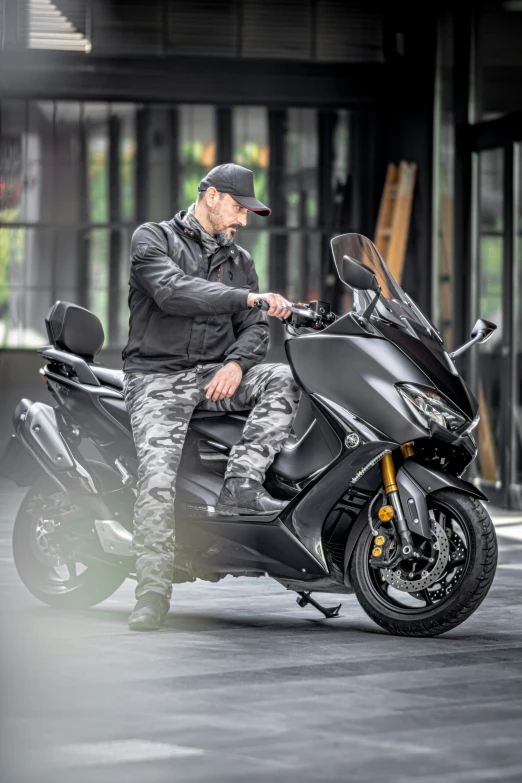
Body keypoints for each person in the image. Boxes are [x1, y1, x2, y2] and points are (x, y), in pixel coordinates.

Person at [122, 163, 301, 631]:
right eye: (239, 209)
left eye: (248, 213)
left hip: (213, 377)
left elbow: (256, 330)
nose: (243, 221)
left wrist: (237, 364)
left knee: (282, 378)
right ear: (213, 196)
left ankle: (240, 487)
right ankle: (151, 593)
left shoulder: (238, 261)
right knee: (157, 480)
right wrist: (248, 299)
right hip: (156, 378)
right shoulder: (152, 239)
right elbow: (173, 292)